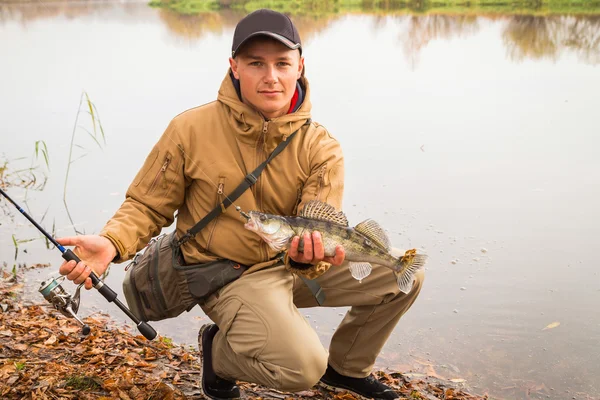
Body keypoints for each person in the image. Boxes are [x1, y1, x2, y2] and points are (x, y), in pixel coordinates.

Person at [57, 8, 424, 400]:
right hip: (227, 274)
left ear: (300, 66)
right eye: (256, 63)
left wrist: (307, 259)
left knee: (405, 277)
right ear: (234, 67)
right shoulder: (190, 129)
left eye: (283, 63)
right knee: (301, 368)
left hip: (290, 263)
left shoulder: (322, 147)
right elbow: (147, 205)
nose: (271, 77)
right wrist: (111, 243)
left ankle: (347, 367)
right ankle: (217, 355)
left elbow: (320, 224)